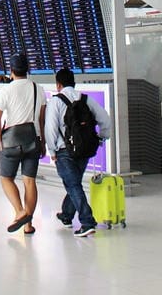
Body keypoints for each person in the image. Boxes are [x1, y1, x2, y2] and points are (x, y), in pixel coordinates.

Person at [44, 68, 112, 237]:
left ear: (58, 84)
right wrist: (102, 138)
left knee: (73, 184)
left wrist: (51, 149)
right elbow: (105, 119)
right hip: (84, 149)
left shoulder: (56, 101)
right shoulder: (86, 99)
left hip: (64, 150)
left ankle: (87, 221)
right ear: (74, 82)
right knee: (73, 182)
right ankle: (67, 215)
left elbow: (50, 128)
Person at [0, 53, 45, 235]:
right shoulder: (38, 89)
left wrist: (0, 141)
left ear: (11, 71)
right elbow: (41, 119)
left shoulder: (6, 90)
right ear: (27, 70)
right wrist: (42, 141)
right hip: (32, 139)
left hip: (11, 142)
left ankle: (20, 212)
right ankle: (28, 225)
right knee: (30, 181)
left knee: (6, 178)